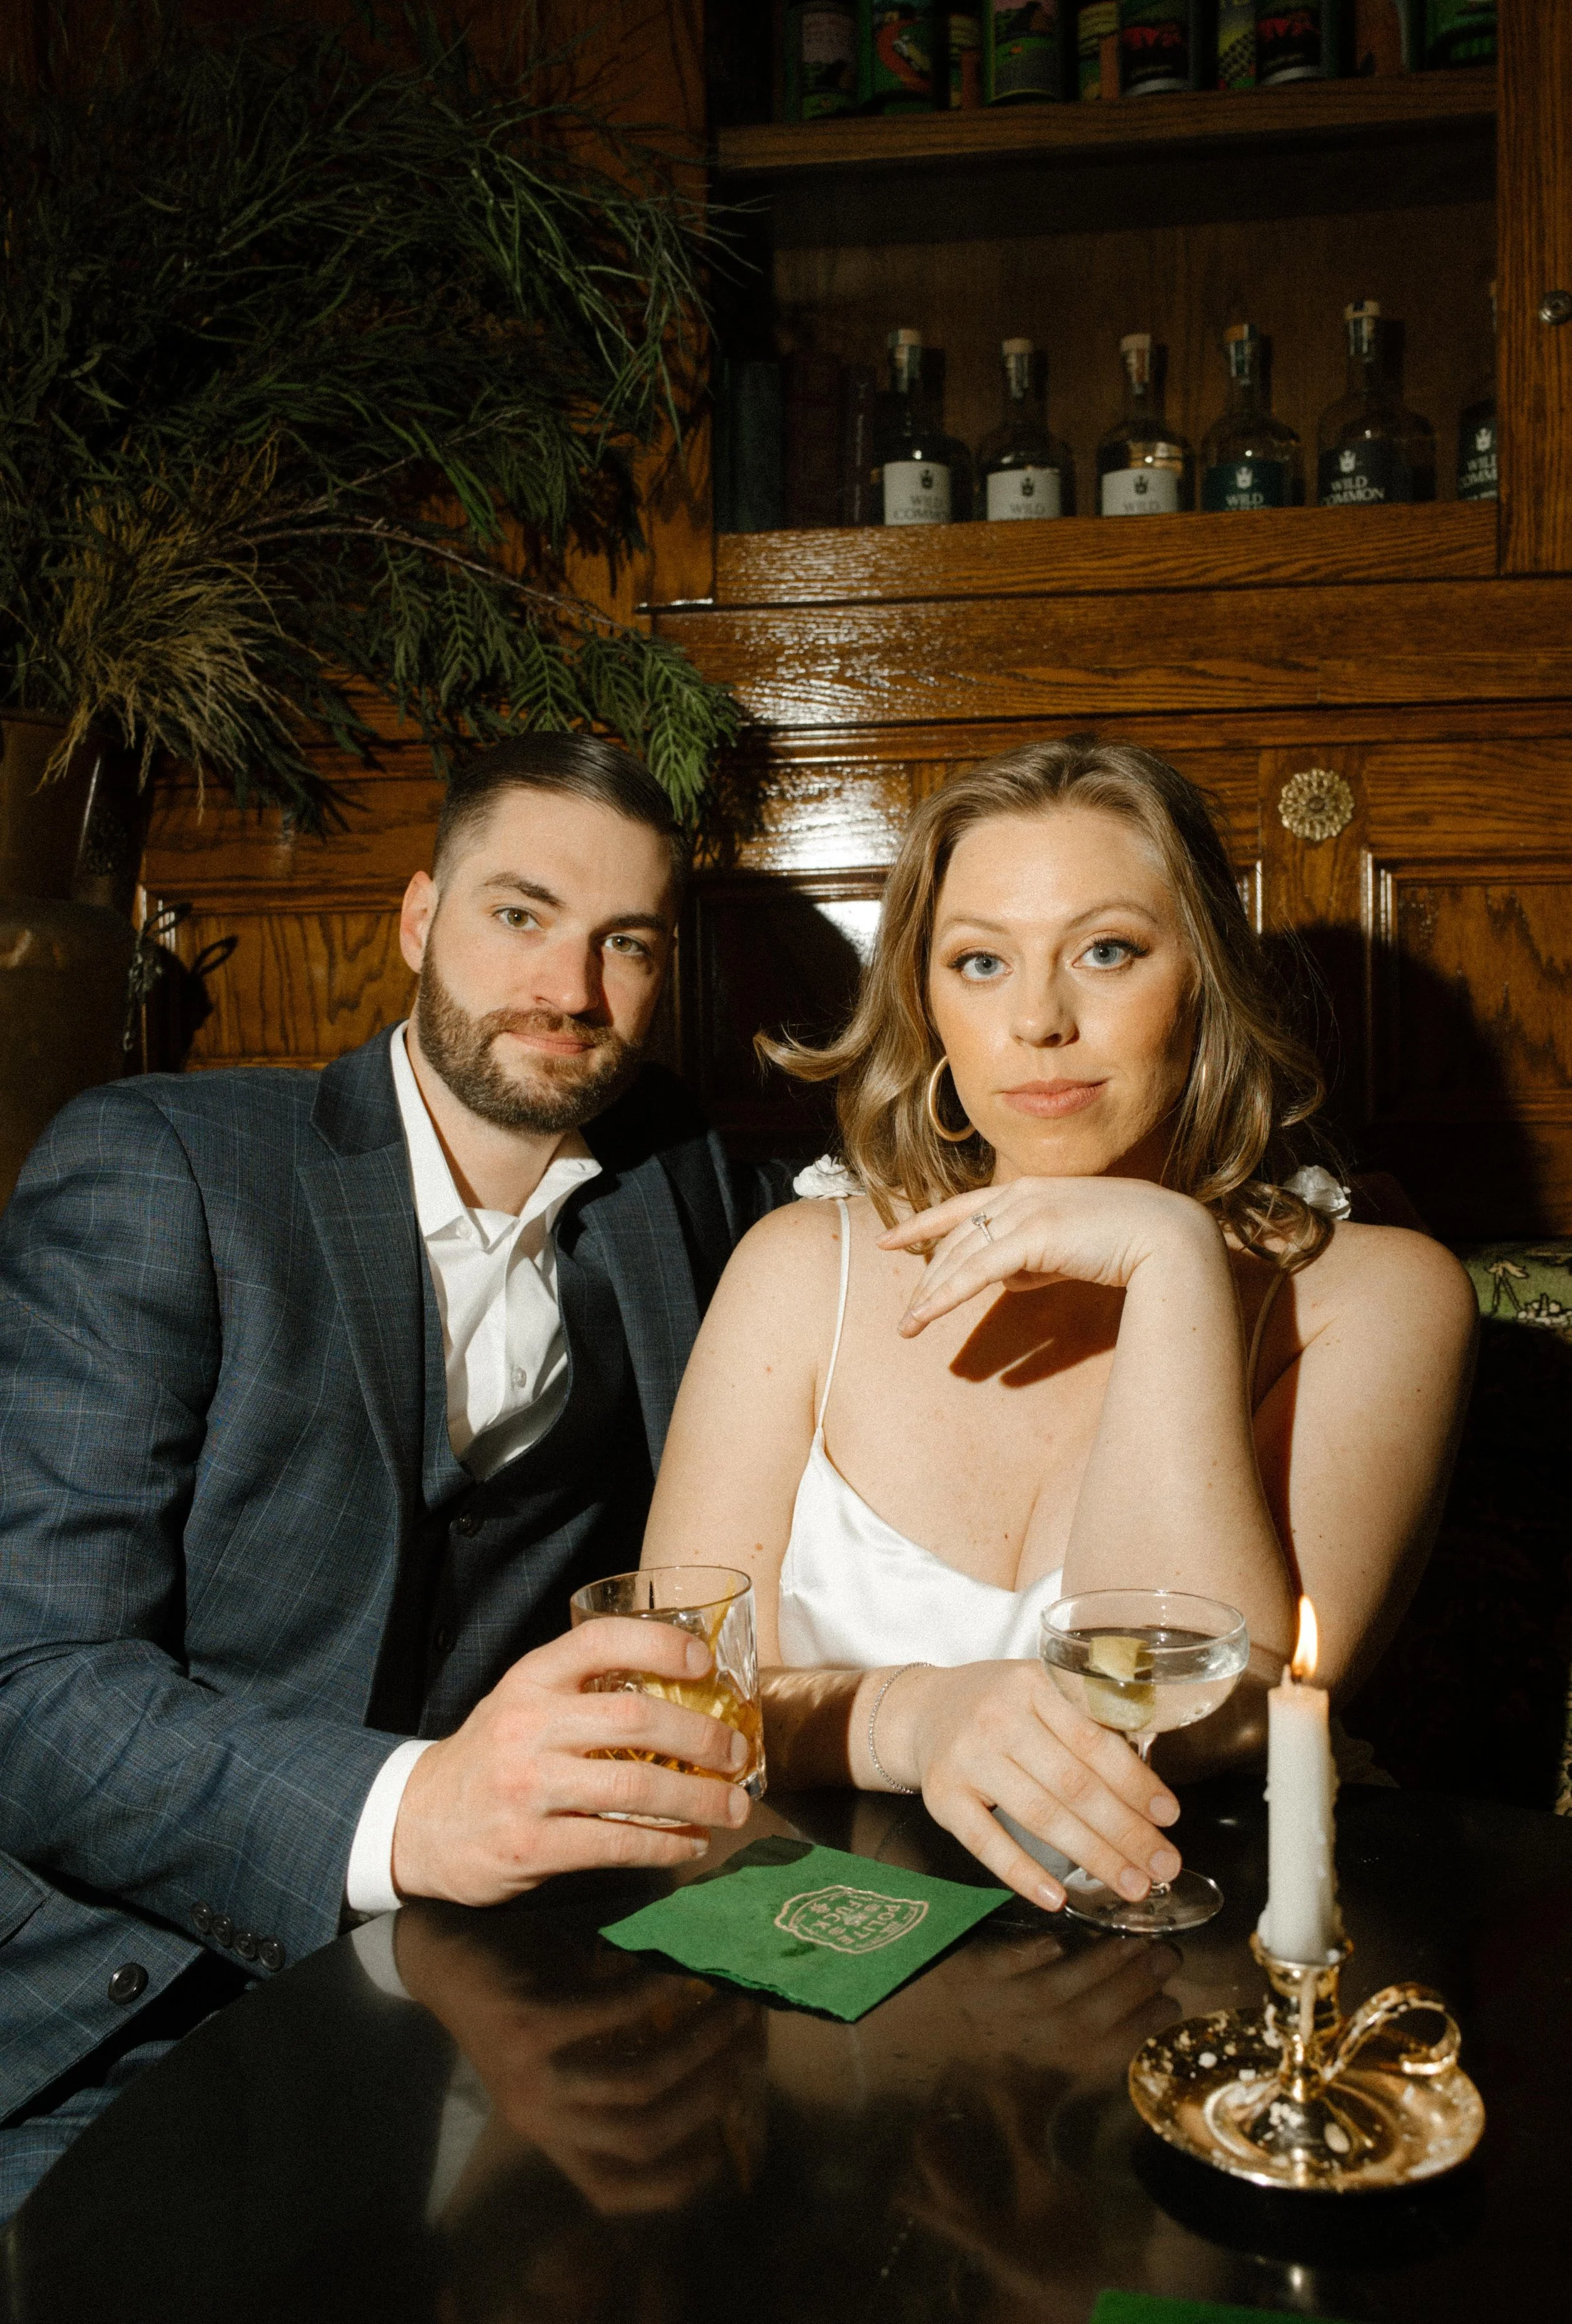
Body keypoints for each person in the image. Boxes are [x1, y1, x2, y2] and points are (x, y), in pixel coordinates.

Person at [0, 733, 783, 2215]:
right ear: (418, 919)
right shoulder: (166, 1165)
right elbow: (30, 1684)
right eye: (518, 914)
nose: (569, 988)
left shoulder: (684, 1188)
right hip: (100, 2018)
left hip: (474, 2015)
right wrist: (413, 1812)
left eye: (624, 942)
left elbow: (925, 1198)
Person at [643, 738, 1477, 1911]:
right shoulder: (800, 1269)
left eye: (1107, 951)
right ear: (929, 1009)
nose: (1038, 1019)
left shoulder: (1384, 1296)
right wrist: (912, 1716)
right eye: (980, 961)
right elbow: (678, 1694)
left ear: (1205, 981)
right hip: (820, 1952)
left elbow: (1212, 1714)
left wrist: (1171, 1258)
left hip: (1209, 1954)